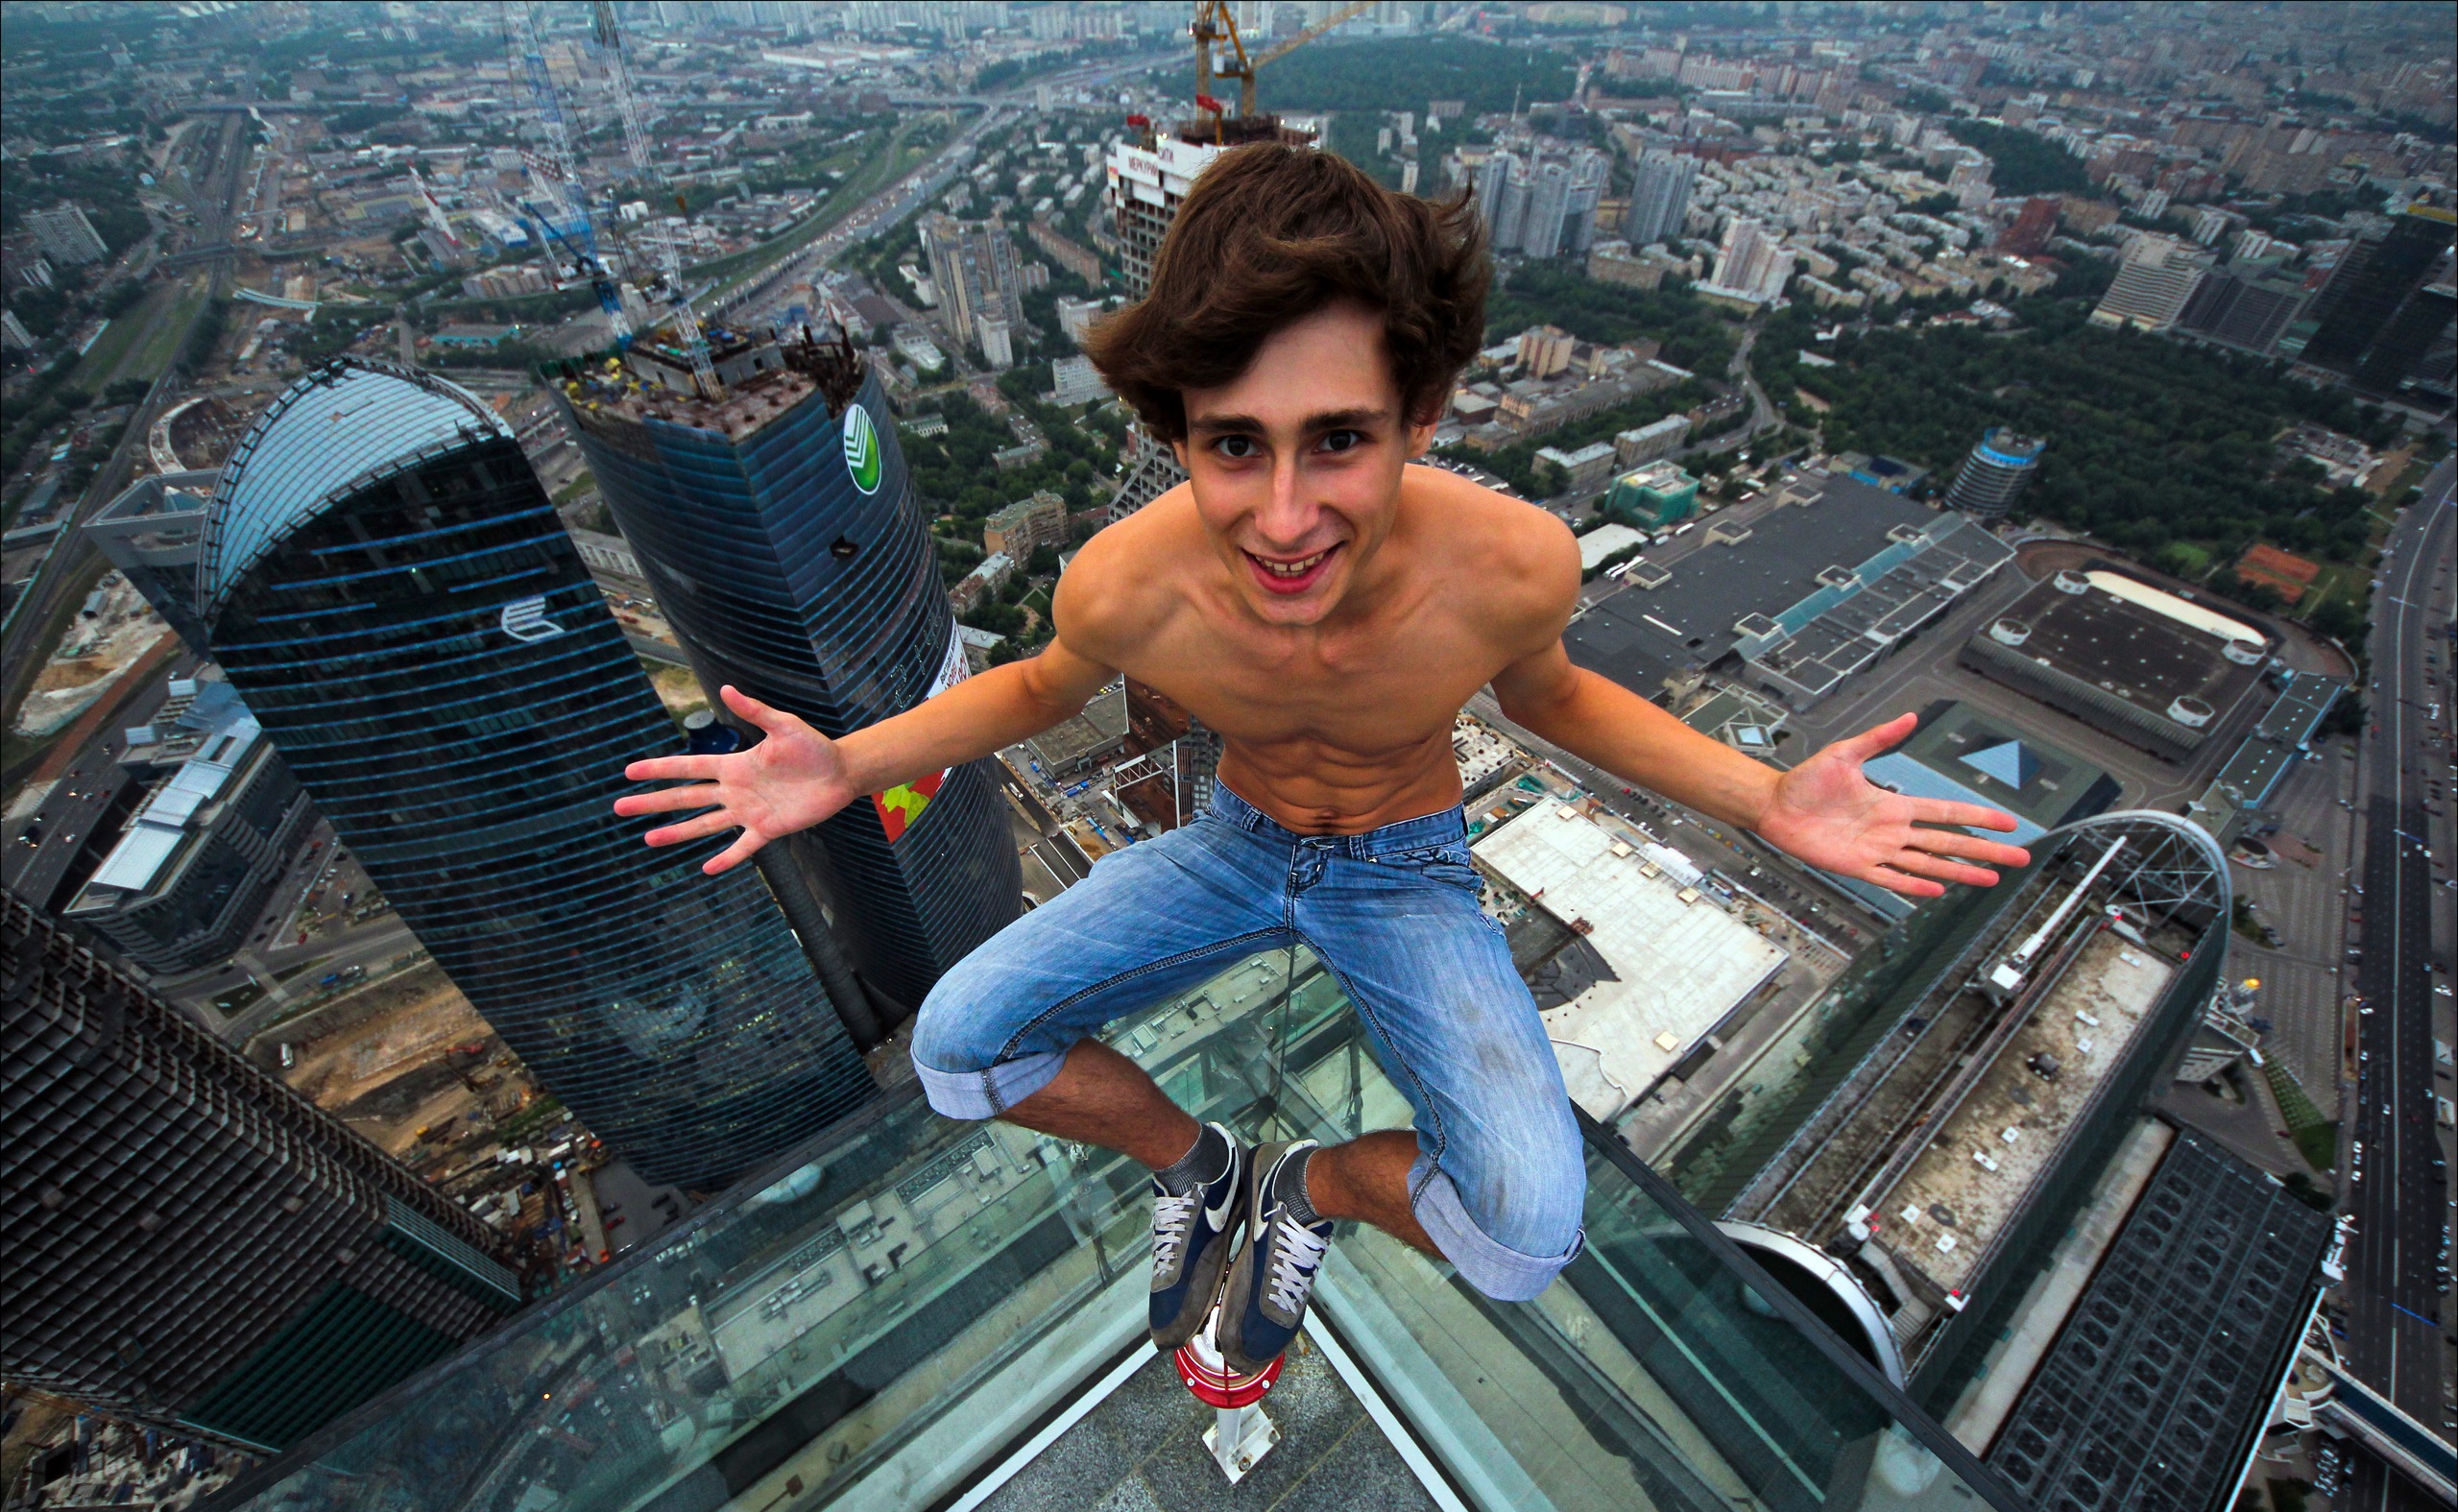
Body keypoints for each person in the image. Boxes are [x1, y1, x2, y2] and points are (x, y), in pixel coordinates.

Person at [614, 143, 2028, 1373]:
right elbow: (1039, 691)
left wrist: (1765, 794)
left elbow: (1556, 701)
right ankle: (1196, 1165)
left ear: (1424, 416)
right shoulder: (1128, 584)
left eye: (1339, 439)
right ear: (1178, 434)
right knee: (956, 1048)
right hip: (1232, 847)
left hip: (1405, 871)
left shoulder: (1508, 564)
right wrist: (848, 766)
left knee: (1526, 1234)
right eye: (1235, 446)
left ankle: (1309, 1192)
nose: (1285, 518)